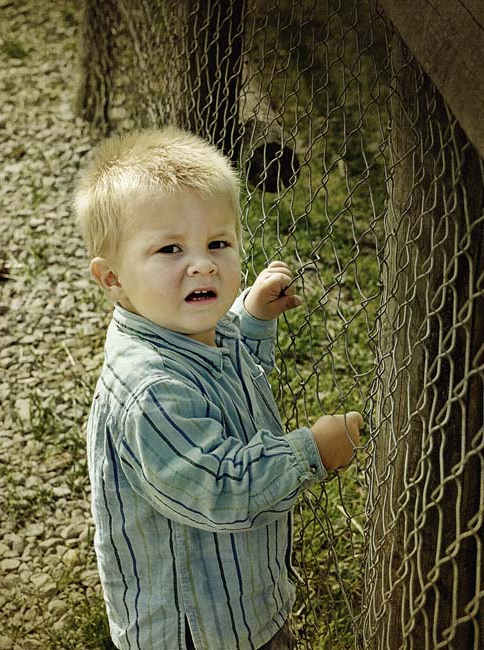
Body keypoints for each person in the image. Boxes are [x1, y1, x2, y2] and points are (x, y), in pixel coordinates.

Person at [73, 127, 362, 650]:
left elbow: (223, 381)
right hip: (197, 630)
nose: (202, 263)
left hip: (238, 601)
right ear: (112, 278)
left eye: (218, 243)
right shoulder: (152, 391)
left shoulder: (193, 331)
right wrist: (311, 452)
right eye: (169, 249)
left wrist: (249, 319)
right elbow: (222, 490)